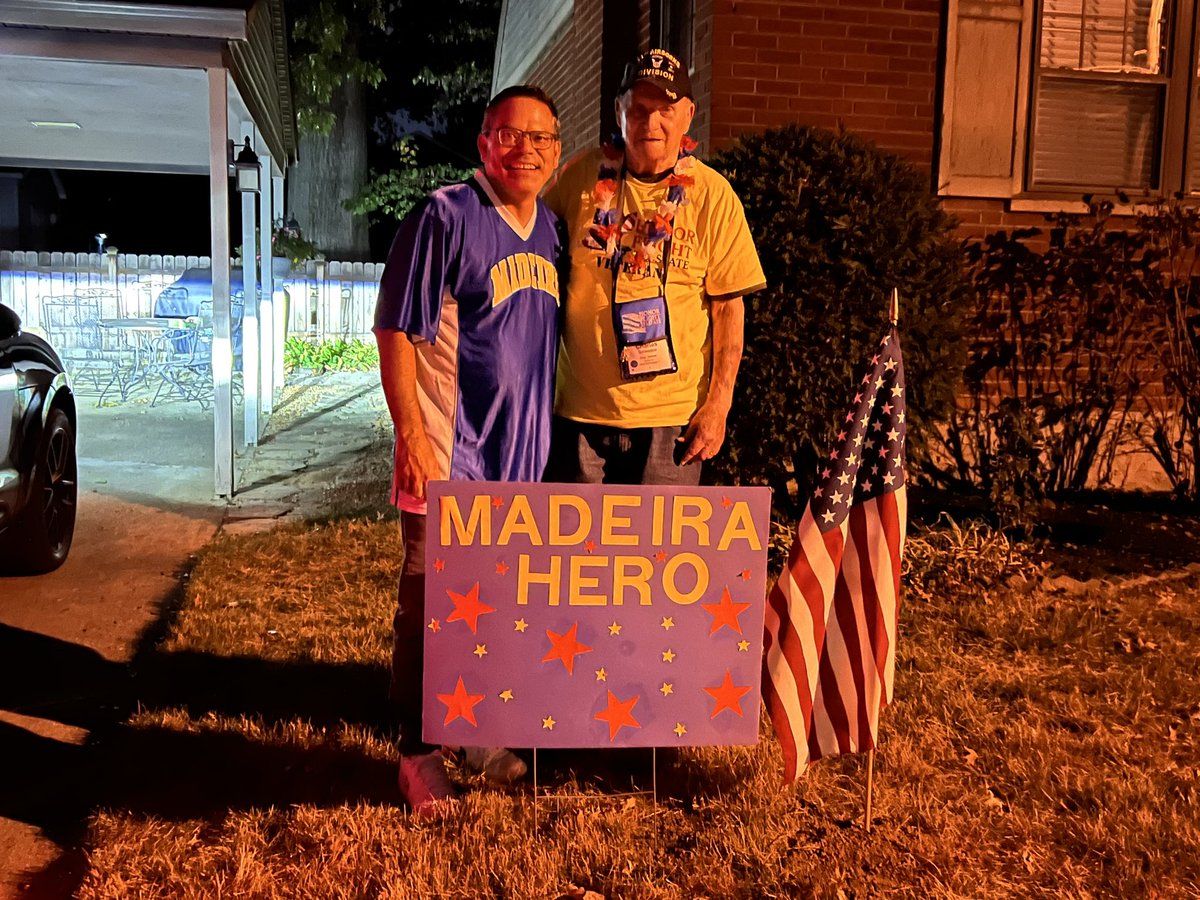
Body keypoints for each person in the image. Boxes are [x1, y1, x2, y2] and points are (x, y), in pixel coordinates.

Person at [373, 84, 564, 818]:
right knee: (430, 608)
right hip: (450, 457)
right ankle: (417, 756)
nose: (525, 148)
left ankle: (477, 731)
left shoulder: (549, 229)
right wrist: (412, 434)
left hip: (519, 464)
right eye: (508, 134)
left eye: (541, 137)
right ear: (484, 141)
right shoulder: (445, 214)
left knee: (493, 608)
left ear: (555, 149)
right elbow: (395, 329)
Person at [544, 48, 766, 487]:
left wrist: (718, 408)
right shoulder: (578, 179)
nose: (651, 123)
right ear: (619, 111)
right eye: (639, 109)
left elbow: (728, 311)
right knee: (577, 554)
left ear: (687, 115)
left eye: (664, 110)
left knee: (659, 556)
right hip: (579, 413)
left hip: (671, 422)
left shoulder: (712, 194)